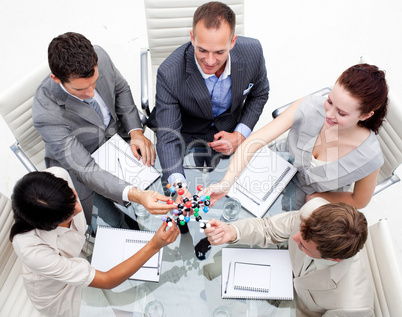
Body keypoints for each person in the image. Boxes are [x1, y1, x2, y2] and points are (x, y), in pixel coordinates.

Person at [33, 32, 172, 229]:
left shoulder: (100, 56)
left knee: (166, 181)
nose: (91, 93)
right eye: (81, 90)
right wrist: (137, 194)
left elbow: (121, 88)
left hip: (120, 141)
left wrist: (135, 132)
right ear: (57, 79)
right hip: (83, 167)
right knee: (116, 226)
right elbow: (86, 169)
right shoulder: (45, 113)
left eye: (94, 83)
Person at [204, 63, 388, 210]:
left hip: (305, 203)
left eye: (341, 113)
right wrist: (226, 183)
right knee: (226, 207)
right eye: (330, 101)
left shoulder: (370, 158)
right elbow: (253, 142)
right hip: (272, 168)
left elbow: (359, 200)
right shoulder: (310, 105)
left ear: (365, 115)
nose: (329, 114)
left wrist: (317, 199)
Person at [10, 167, 180, 317]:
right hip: (61, 292)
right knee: (123, 308)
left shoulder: (58, 175)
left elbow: (91, 175)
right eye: (69, 213)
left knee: (136, 283)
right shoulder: (32, 250)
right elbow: (106, 280)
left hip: (85, 252)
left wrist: (139, 195)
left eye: (74, 197)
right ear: (49, 225)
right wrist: (154, 245)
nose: (78, 209)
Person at [146, 1, 269, 188]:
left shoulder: (253, 52)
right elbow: (169, 137)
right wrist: (179, 185)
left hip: (230, 128)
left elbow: (260, 93)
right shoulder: (169, 73)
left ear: (233, 42)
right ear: (192, 38)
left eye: (219, 52)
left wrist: (240, 134)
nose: (210, 61)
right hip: (186, 132)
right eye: (202, 50)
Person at [204, 198, 374, 316]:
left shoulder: (353, 307)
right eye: (300, 231)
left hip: (298, 308)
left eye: (303, 245)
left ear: (333, 259)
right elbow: (269, 228)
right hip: (281, 265)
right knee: (211, 269)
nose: (294, 238)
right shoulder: (313, 210)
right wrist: (233, 231)